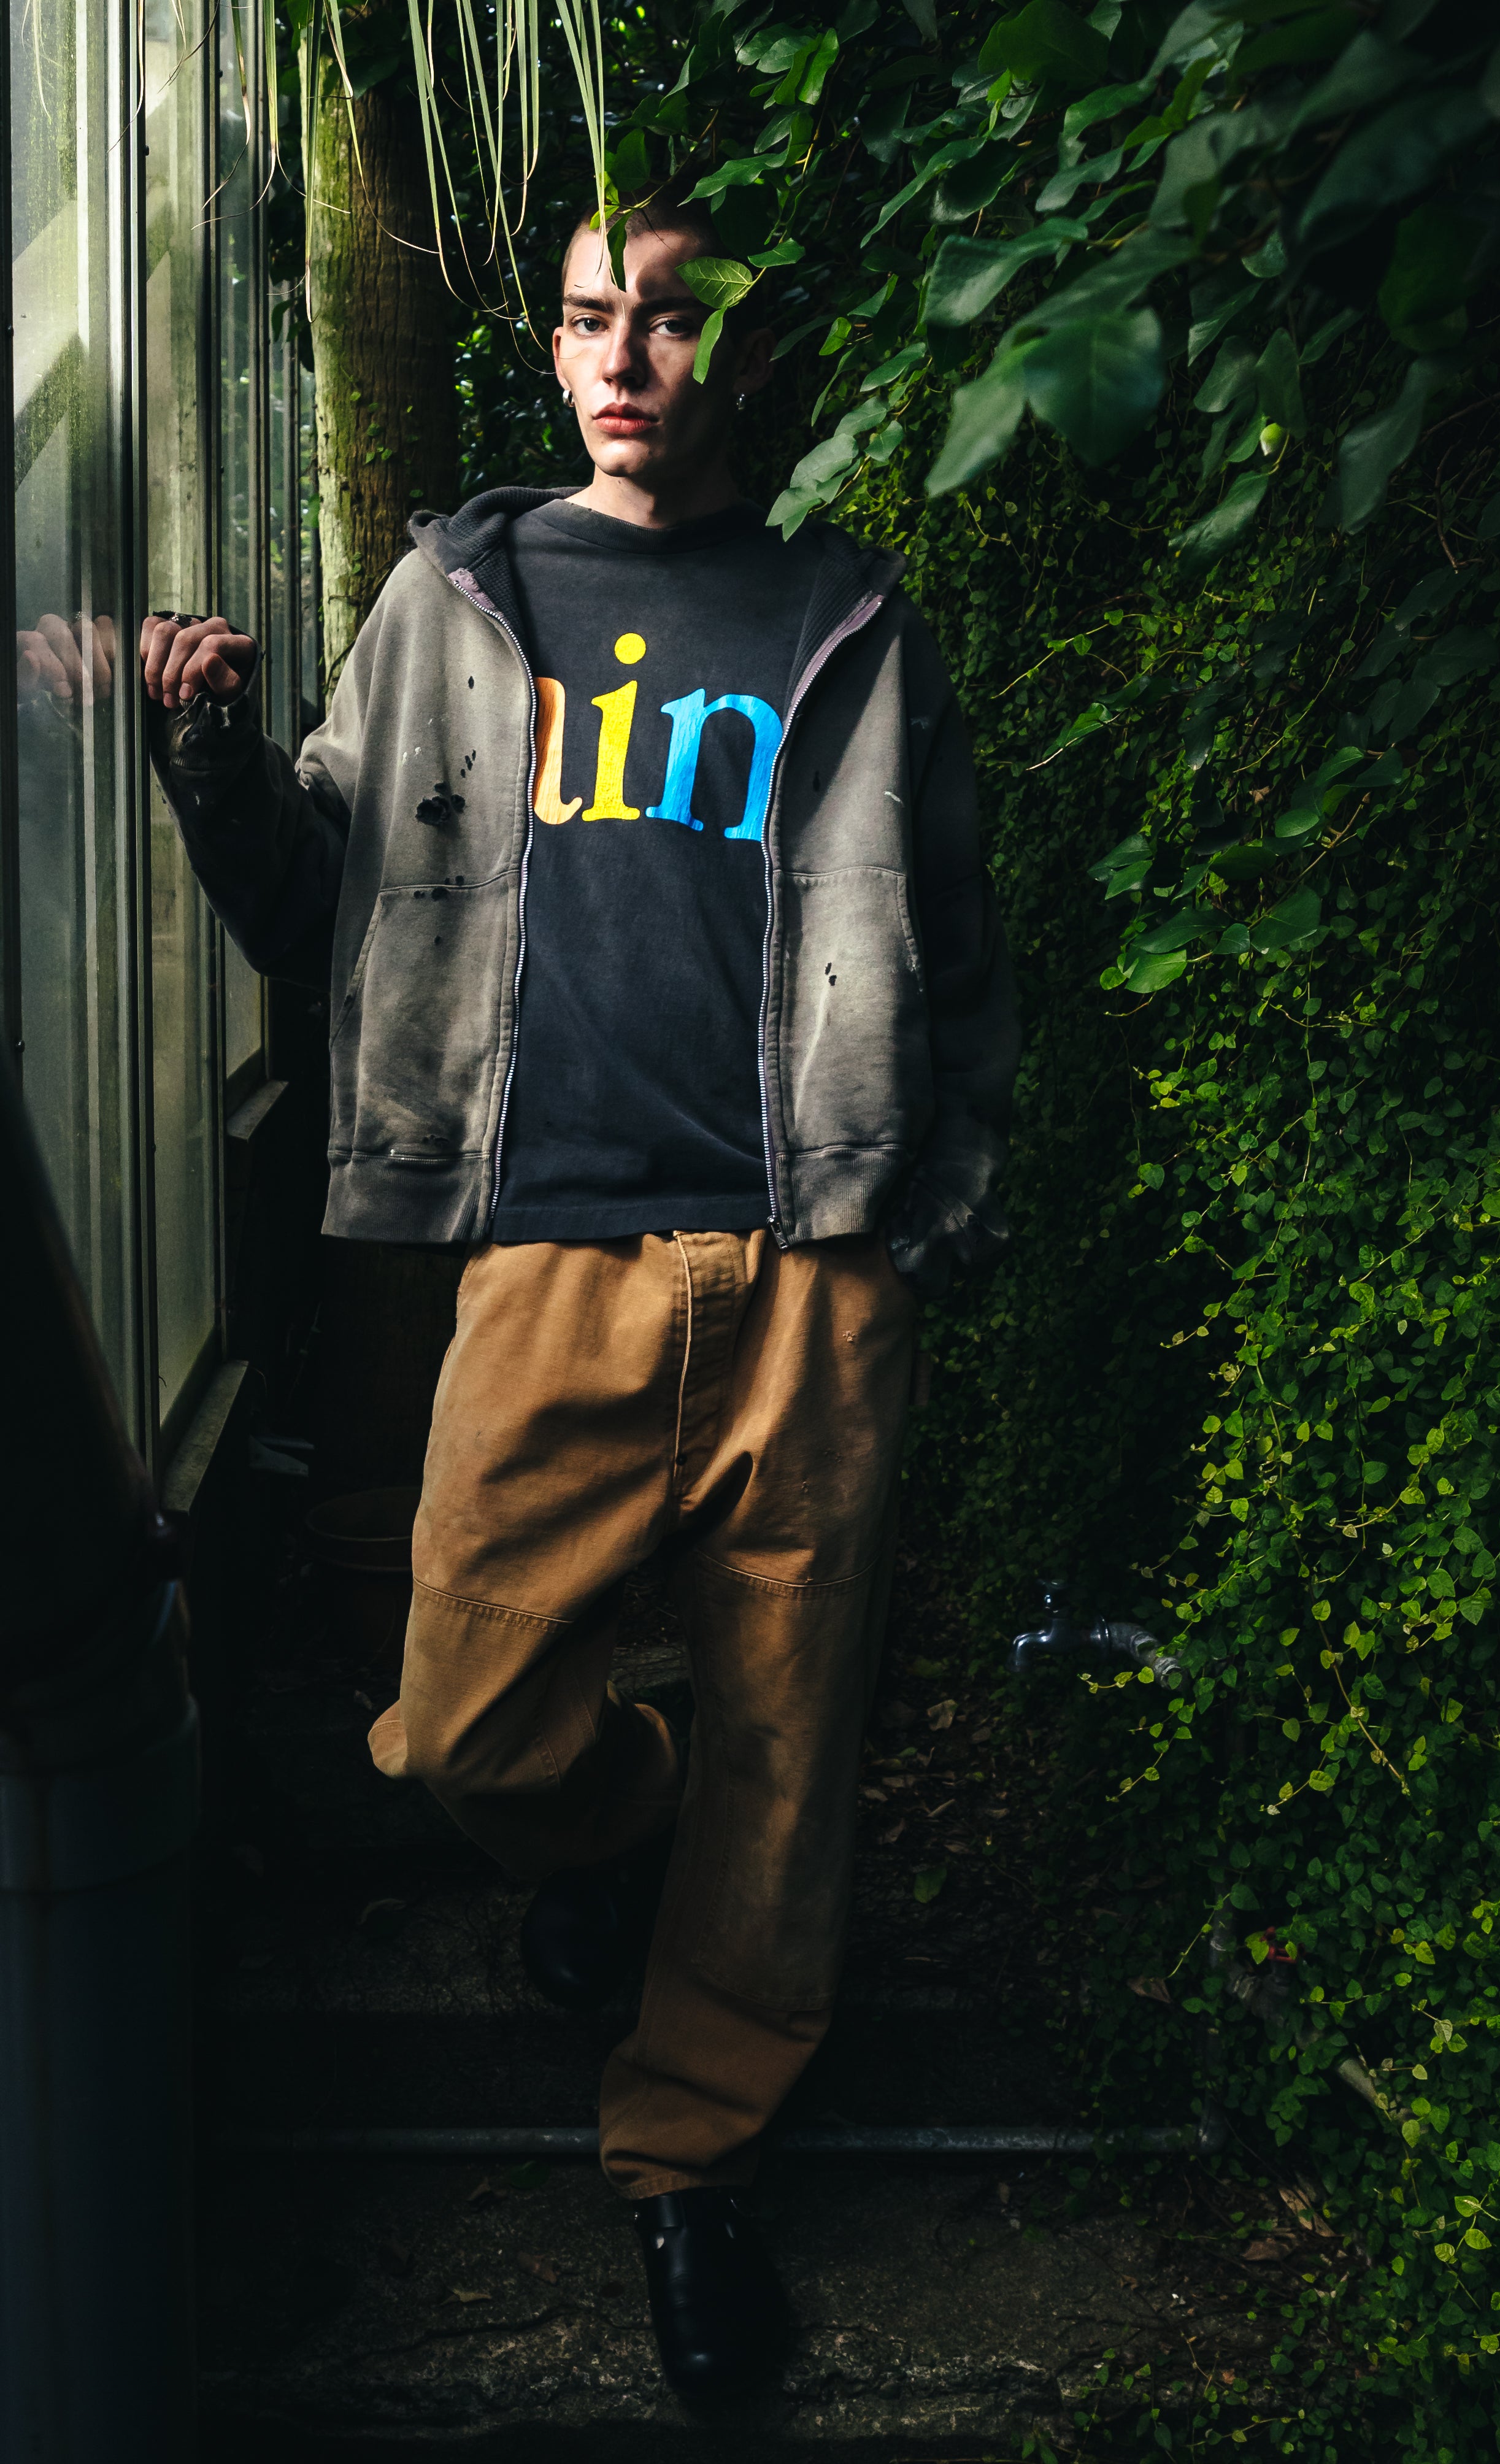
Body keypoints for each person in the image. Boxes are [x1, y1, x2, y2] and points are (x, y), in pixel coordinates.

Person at [142, 187, 1019, 2401]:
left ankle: (691, 2160)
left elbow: (961, 941)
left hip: (814, 1265)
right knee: (465, 1720)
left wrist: (935, 1212)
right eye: (586, 320)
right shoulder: (460, 595)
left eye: (670, 320)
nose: (623, 356)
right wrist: (207, 760)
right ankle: (620, 1832)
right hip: (550, 1249)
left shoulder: (847, 613)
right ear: (546, 352)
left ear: (745, 351)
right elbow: (316, 911)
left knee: (788, 1746)